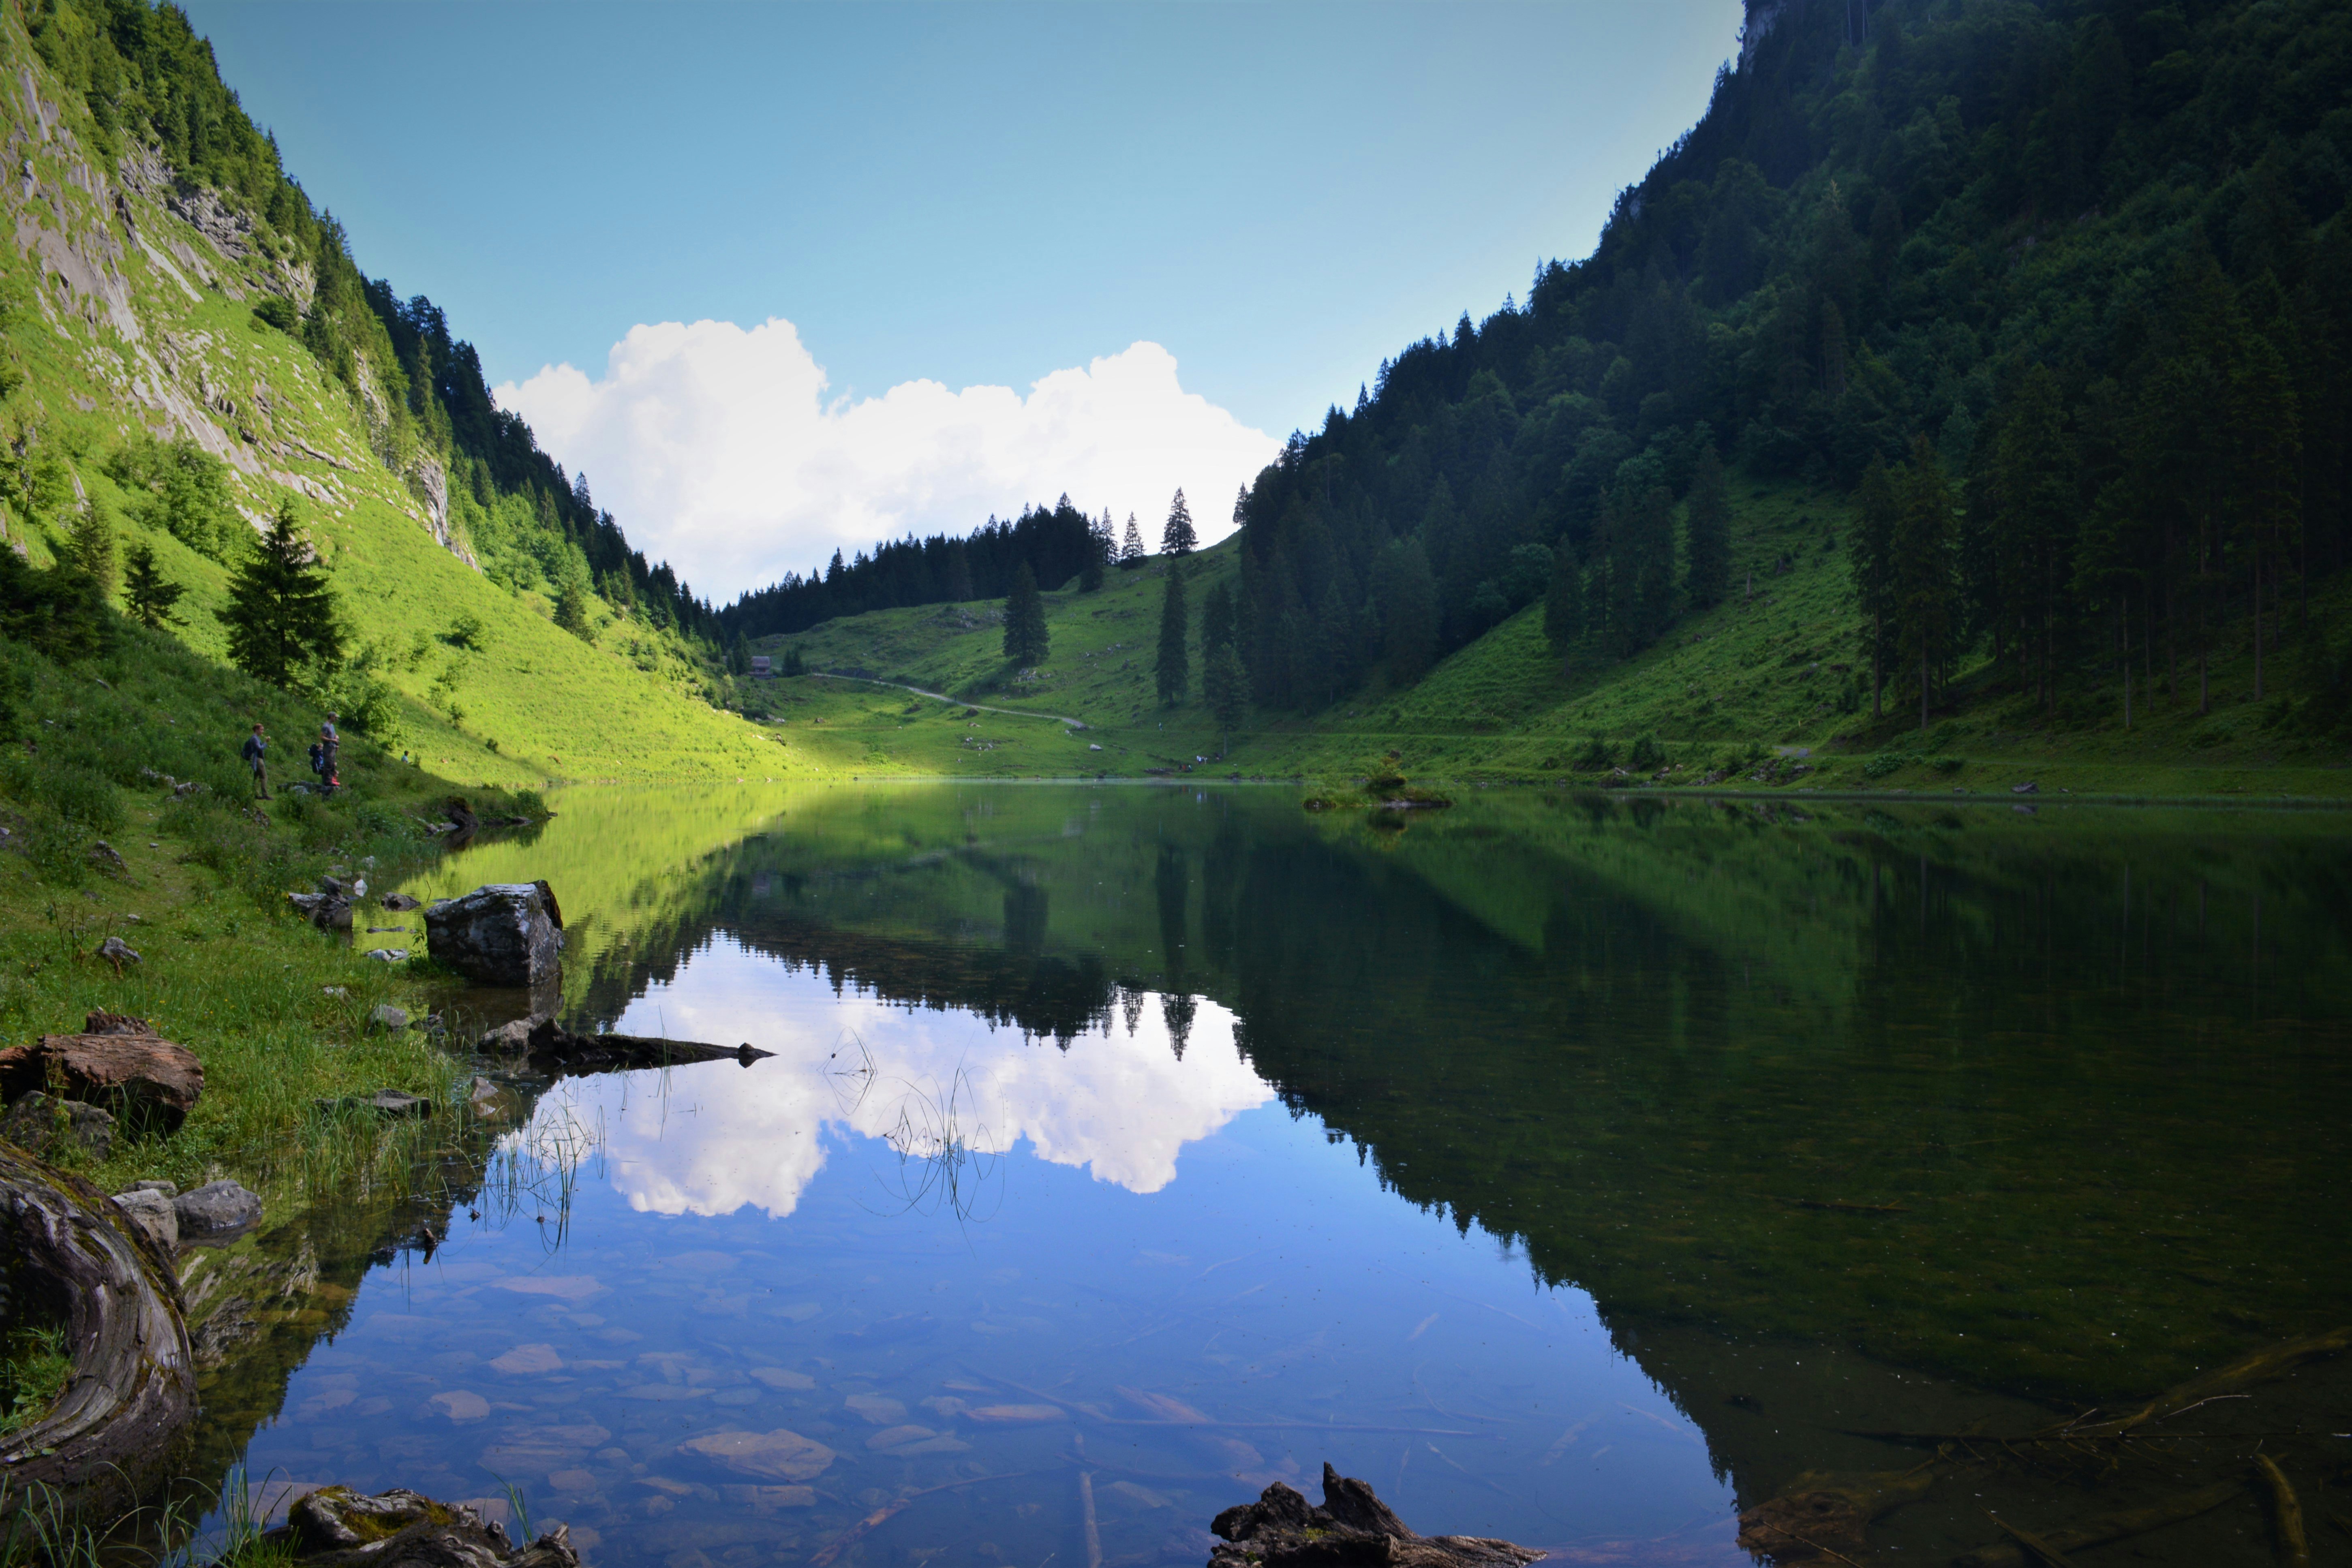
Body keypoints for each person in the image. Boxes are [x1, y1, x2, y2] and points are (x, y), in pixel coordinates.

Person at [241, 722, 270, 799]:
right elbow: (259, 748)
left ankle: (256, 794)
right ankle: (265, 795)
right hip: (257, 759)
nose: (262, 732)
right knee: (264, 777)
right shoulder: (254, 738)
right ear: (256, 730)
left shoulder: (256, 738)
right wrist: (266, 743)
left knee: (256, 777)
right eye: (261, 730)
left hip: (255, 759)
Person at [319, 713, 341, 793]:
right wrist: (332, 740)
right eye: (335, 717)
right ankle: (327, 782)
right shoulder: (326, 726)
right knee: (328, 765)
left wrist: (336, 737)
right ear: (331, 717)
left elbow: (333, 735)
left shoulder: (332, 726)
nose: (336, 719)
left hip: (333, 748)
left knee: (332, 765)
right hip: (328, 748)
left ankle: (331, 780)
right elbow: (322, 737)